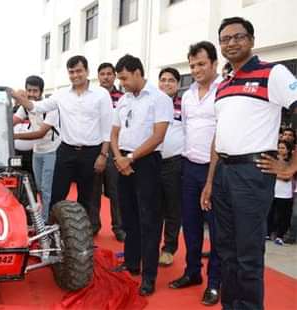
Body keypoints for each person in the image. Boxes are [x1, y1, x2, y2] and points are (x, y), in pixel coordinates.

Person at [203, 17, 297, 310]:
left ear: (252, 40)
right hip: (223, 174)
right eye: (225, 39)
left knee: (247, 254)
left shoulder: (273, 73)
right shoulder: (223, 84)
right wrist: (209, 182)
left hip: (252, 174)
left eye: (238, 36)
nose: (231, 43)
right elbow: (220, 136)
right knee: (226, 251)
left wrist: (292, 165)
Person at [11, 55, 113, 219]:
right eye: (71, 72)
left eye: (79, 71)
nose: (75, 75)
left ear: (87, 71)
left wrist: (103, 155)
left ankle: (83, 236)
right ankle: (52, 231)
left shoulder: (101, 95)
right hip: (66, 150)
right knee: (56, 194)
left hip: (92, 152)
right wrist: (18, 98)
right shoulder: (62, 94)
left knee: (87, 197)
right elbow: (36, 107)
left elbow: (107, 128)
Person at [110, 54, 173, 296]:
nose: (122, 83)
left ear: (137, 72)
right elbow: (114, 132)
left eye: (125, 78)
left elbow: (158, 136)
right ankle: (132, 262)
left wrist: (131, 158)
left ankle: (149, 275)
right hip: (122, 161)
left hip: (146, 162)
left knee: (149, 220)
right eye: (120, 79)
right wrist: (118, 158)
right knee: (129, 217)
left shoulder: (159, 99)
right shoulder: (123, 100)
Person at [168, 41, 222, 306]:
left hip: (216, 169)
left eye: (201, 64)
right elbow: (187, 130)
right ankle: (192, 273)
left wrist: (211, 178)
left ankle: (214, 283)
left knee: (215, 229)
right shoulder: (187, 95)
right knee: (189, 226)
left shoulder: (224, 90)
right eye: (192, 65)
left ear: (214, 63)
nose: (196, 69)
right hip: (188, 167)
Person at [13, 76, 60, 221]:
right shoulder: (24, 107)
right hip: (37, 151)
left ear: (41, 92)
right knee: (39, 187)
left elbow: (41, 133)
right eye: (29, 90)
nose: (32, 94)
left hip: (52, 151)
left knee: (46, 189)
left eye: (35, 91)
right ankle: (44, 214)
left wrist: (15, 136)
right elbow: (12, 121)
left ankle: (45, 221)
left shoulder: (51, 107)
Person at [89, 62, 125, 240]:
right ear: (98, 76)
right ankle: (93, 225)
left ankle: (119, 227)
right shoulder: (92, 97)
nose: (106, 77)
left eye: (109, 73)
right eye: (102, 74)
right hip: (95, 147)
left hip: (115, 147)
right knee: (93, 190)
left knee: (116, 189)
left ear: (114, 76)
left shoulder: (123, 97)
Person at [157, 67, 183, 267]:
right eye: (163, 79)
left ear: (178, 84)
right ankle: (150, 245)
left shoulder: (185, 105)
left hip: (175, 163)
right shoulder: (152, 104)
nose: (166, 83)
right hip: (152, 161)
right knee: (151, 207)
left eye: (171, 80)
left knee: (173, 208)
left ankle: (169, 248)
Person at [266, 140, 293, 245]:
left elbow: (287, 177)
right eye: (279, 147)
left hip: (285, 194)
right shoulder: (273, 160)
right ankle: (268, 233)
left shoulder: (290, 162)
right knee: (270, 214)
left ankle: (280, 236)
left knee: (283, 216)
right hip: (273, 192)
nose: (280, 150)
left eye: (283, 148)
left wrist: (275, 173)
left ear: (288, 150)